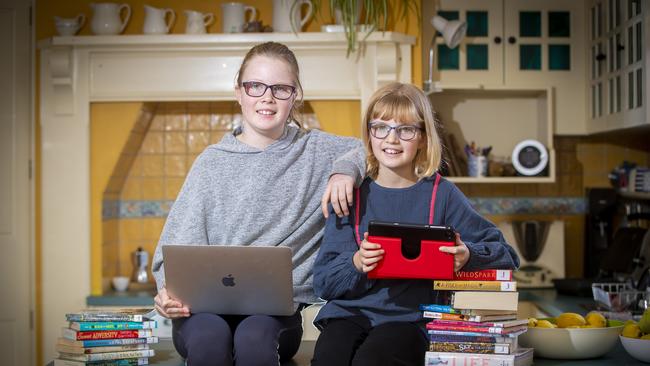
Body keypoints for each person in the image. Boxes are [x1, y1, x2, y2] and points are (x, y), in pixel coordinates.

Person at [151, 42, 365, 366]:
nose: (267, 97)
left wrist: (344, 170)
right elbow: (173, 248)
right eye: (255, 86)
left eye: (280, 88)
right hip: (202, 313)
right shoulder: (210, 163)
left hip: (275, 316)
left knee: (254, 338)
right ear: (239, 92)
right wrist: (167, 292)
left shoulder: (316, 150)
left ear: (295, 95)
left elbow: (370, 148)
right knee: (210, 338)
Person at [311, 82, 520, 366]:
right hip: (348, 315)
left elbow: (507, 254)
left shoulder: (442, 195)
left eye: (406, 129)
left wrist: (468, 255)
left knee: (372, 360)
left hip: (408, 321)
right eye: (381, 127)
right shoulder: (350, 194)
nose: (391, 139)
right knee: (329, 358)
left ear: (422, 137)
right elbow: (324, 283)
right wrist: (357, 263)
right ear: (369, 134)